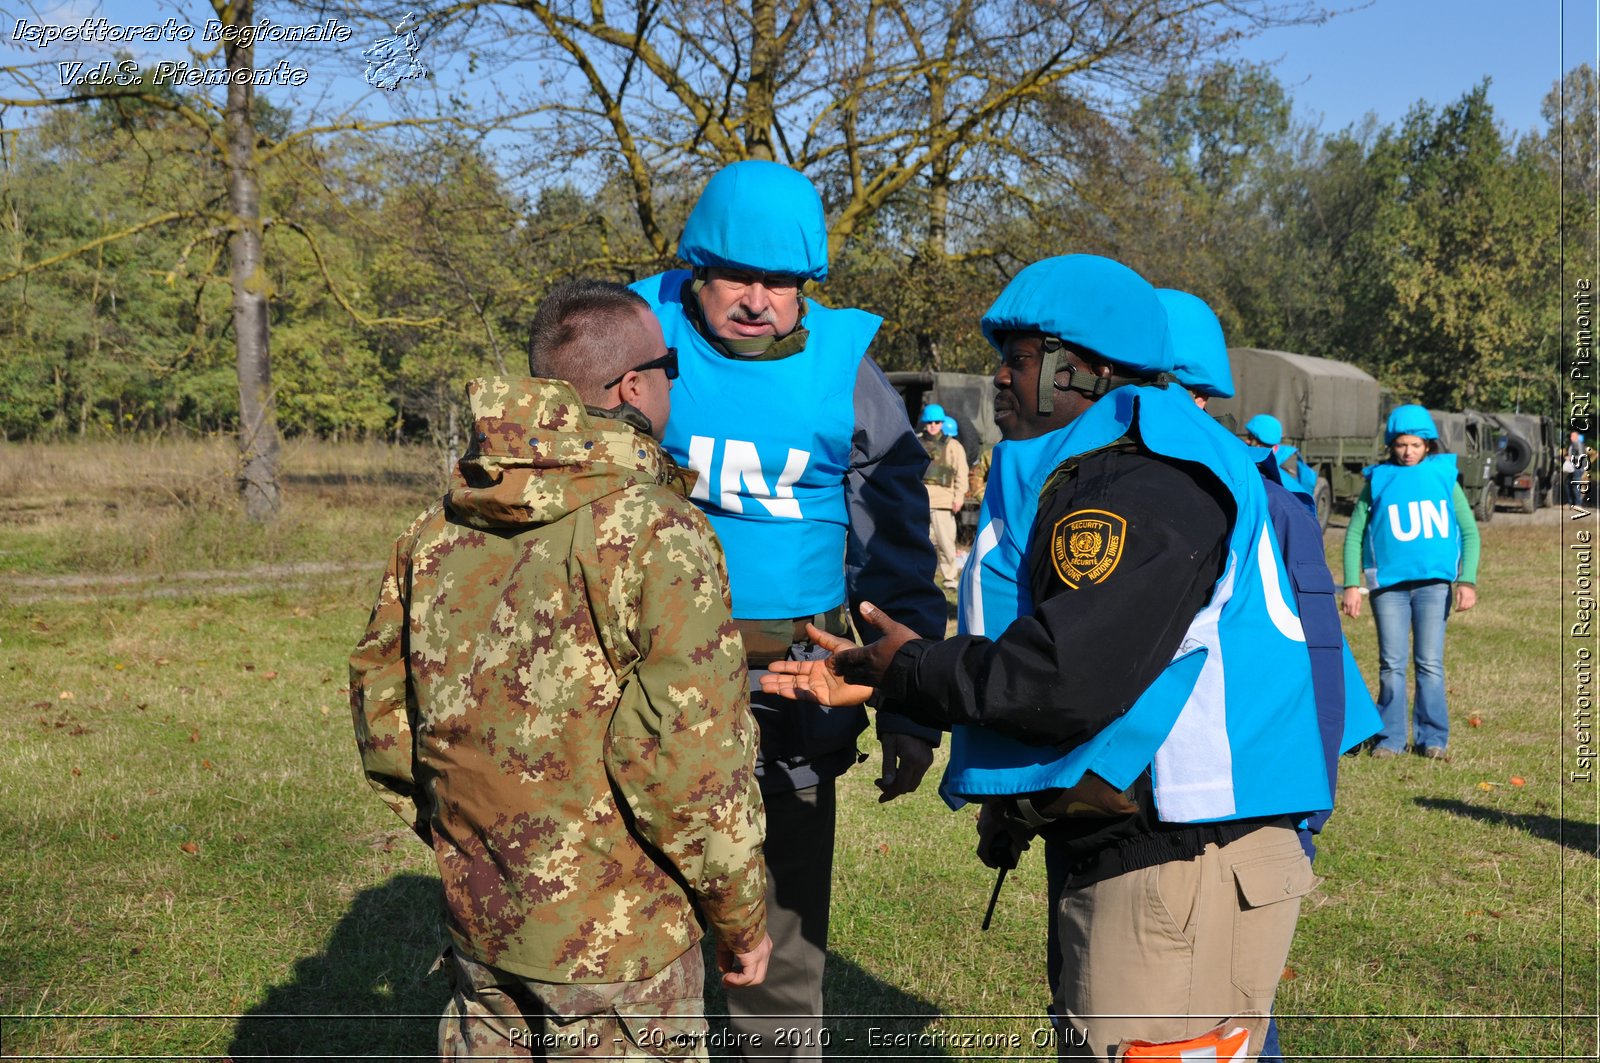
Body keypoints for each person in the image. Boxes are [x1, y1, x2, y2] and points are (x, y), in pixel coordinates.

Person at [765, 255, 1335, 1060]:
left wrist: (912, 670)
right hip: (1146, 852)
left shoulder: (1151, 478)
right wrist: (896, 678)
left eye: (1021, 357)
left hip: (1183, 861)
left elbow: (1065, 675)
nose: (999, 377)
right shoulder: (1101, 467)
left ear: (1087, 370)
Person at [349, 280, 771, 1060]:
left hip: (483, 929)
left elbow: (385, 720)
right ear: (633, 386)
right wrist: (740, 915)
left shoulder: (434, 530)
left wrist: (475, 845)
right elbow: (684, 762)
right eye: (671, 365)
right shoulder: (659, 531)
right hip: (626, 952)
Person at [629, 160, 945, 1059]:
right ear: (695, 267)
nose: (759, 299)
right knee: (642, 922)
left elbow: (897, 545)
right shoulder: (637, 338)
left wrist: (912, 701)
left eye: (781, 283)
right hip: (648, 689)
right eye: (738, 276)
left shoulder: (849, 372)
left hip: (796, 694)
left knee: (779, 937)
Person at [1340, 404, 1481, 759]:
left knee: (1430, 662)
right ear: (1392, 444)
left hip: (1434, 587)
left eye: (1415, 445)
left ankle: (1432, 738)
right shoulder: (1378, 479)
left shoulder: (1444, 476)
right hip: (1388, 588)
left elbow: (1469, 532)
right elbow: (1355, 533)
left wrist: (1467, 580)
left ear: (1428, 445)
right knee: (1391, 664)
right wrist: (1352, 584)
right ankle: (1389, 738)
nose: (1408, 452)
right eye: (1401, 444)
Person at [918, 403, 969, 588]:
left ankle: (950, 579)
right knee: (922, 543)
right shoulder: (915, 442)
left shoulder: (953, 446)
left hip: (943, 501)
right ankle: (923, 578)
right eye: (930, 421)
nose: (933, 425)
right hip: (920, 501)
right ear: (925, 422)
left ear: (942, 423)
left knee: (946, 543)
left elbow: (961, 474)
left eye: (937, 422)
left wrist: (959, 498)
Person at [1244, 412, 1318, 501]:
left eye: (1250, 437)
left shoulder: (1287, 457)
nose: (1247, 441)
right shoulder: (1255, 453)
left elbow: (1285, 493)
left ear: (1261, 442)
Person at [1567, 431, 1590, 504]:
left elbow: (1581, 456)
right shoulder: (1572, 444)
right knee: (1568, 484)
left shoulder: (1578, 444)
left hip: (1578, 468)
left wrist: (1571, 458)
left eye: (1572, 436)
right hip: (1572, 467)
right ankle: (1571, 502)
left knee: (1576, 484)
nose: (1570, 438)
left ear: (1576, 437)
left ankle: (1578, 503)